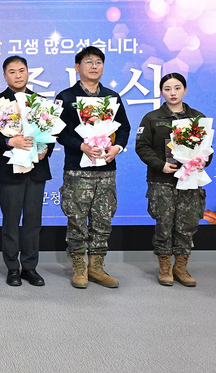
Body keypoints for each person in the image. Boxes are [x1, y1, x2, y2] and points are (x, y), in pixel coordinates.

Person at [55, 46, 130, 289]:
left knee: (103, 218)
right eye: (88, 62)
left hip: (106, 170)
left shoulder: (112, 97)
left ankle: (96, 267)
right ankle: (79, 267)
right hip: (77, 170)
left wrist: (117, 148)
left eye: (98, 62)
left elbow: (124, 128)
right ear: (77, 67)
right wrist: (81, 146)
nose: (94, 66)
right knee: (77, 219)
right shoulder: (66, 97)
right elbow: (59, 132)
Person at [135, 73, 210, 287]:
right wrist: (161, 165)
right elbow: (142, 147)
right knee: (164, 223)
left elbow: (208, 148)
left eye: (177, 88)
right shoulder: (151, 118)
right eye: (167, 89)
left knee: (188, 223)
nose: (173, 93)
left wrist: (202, 161)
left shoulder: (198, 117)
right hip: (162, 180)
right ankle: (165, 266)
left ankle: (181, 266)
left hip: (190, 180)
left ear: (185, 90)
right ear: (161, 92)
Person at [0, 56, 53, 287]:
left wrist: (45, 149)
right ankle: (12, 268)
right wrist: (9, 142)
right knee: (11, 220)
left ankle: (30, 267)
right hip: (10, 171)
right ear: (5, 76)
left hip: (36, 169)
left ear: (28, 73)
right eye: (12, 71)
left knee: (33, 221)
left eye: (21, 70)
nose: (18, 75)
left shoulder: (41, 102)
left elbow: (50, 132)